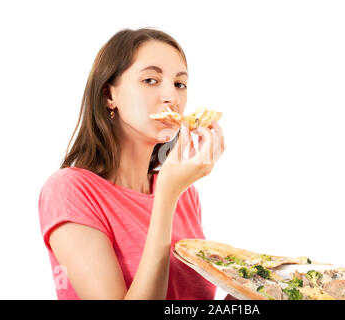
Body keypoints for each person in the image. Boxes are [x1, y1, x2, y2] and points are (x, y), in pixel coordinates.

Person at [38, 28, 230, 299]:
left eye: (180, 84)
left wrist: (255, 293)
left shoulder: (185, 195)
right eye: (151, 80)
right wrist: (166, 196)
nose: (171, 98)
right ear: (109, 96)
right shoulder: (69, 191)